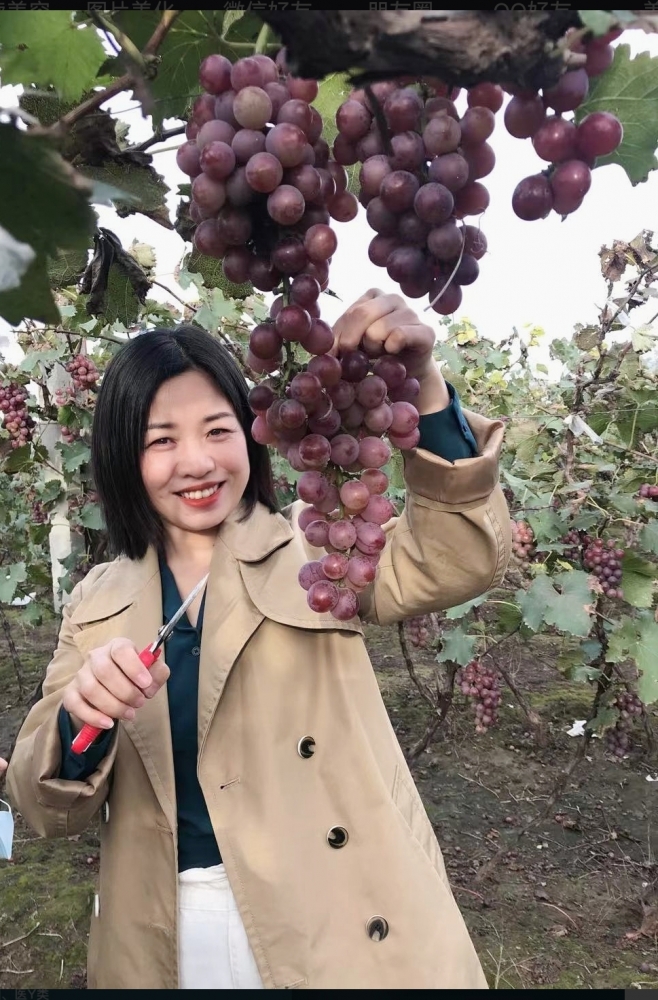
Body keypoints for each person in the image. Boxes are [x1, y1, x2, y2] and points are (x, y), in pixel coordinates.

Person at [6, 290, 511, 990]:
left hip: (335, 918)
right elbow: (42, 806)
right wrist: (79, 719)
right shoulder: (96, 603)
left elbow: (458, 560)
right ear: (124, 456)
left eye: (218, 430)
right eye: (162, 440)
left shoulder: (319, 545)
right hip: (165, 931)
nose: (197, 462)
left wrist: (424, 387)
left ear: (251, 435)